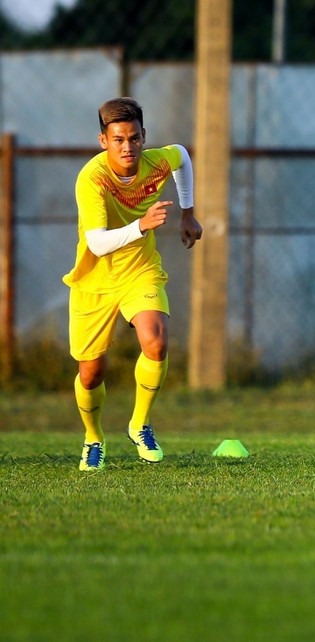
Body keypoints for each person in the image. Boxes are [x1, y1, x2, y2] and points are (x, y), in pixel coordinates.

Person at [64, 97, 202, 470]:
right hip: (94, 279)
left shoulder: (158, 160)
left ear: (144, 136)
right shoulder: (92, 178)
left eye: (135, 138)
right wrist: (140, 225)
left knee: (156, 341)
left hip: (140, 269)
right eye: (119, 139)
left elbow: (183, 157)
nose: (128, 147)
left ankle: (140, 424)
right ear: (103, 140)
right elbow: (97, 242)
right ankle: (93, 438)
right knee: (91, 372)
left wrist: (188, 212)